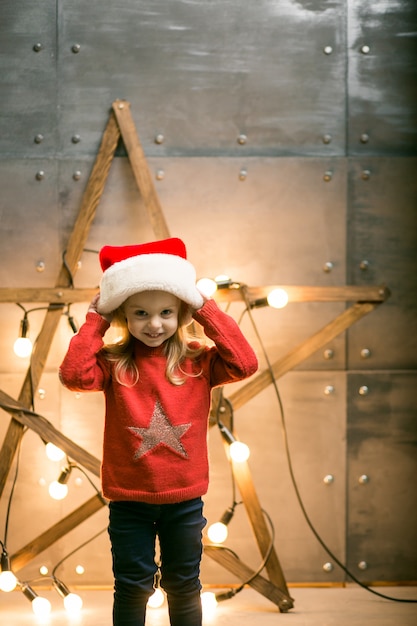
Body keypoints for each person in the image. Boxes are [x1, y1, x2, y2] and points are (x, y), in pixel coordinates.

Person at [59, 237, 258, 626]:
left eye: (166, 311)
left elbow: (245, 363)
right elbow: (72, 374)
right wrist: (95, 319)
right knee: (132, 585)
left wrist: (205, 308)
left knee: (184, 584)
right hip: (129, 501)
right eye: (140, 314)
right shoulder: (114, 363)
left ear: (183, 312)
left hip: (184, 501)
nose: (154, 324)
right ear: (123, 316)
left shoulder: (199, 361)